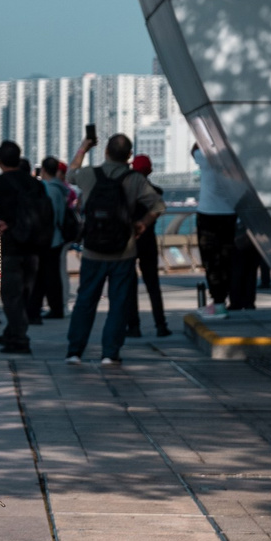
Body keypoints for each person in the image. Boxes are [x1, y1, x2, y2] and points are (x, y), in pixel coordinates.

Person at [61, 131, 164, 365]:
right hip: (124, 251)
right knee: (119, 303)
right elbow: (158, 205)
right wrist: (142, 224)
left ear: (106, 151)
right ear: (129, 156)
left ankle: (75, 351)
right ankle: (110, 353)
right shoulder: (135, 179)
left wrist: (84, 147)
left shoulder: (89, 174)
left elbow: (70, 174)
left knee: (85, 300)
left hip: (92, 251)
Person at [0, 140, 52, 354]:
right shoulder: (36, 184)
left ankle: (19, 338)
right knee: (24, 293)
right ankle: (13, 332)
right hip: (34, 248)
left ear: (0, 161)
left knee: (11, 295)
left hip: (10, 248)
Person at [192, 143, 241, 318]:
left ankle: (218, 303)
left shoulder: (205, 158)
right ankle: (222, 300)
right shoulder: (235, 157)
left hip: (207, 214)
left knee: (211, 261)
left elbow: (194, 149)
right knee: (226, 260)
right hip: (229, 214)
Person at [129, 153, 170, 336]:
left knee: (129, 285)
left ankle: (134, 326)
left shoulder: (127, 192)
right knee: (153, 285)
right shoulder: (157, 192)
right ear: (150, 170)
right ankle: (160, 325)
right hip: (149, 241)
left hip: (130, 241)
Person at [35, 157, 73, 321]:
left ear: (43, 170)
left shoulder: (49, 190)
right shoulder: (60, 189)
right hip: (58, 237)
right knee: (53, 274)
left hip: (50, 238)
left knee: (49, 275)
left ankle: (55, 308)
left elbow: (49, 216)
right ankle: (55, 307)